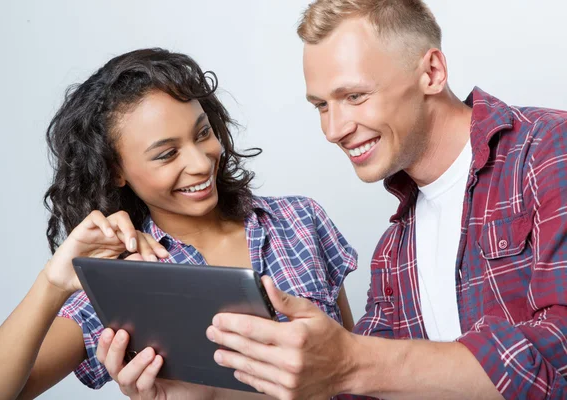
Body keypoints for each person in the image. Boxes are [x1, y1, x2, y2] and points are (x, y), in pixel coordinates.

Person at [202, 1, 567, 399]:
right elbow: (356, 390)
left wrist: (352, 362)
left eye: (355, 96)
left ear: (431, 73)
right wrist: (194, 393)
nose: (333, 129)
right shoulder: (393, 256)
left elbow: (560, 352)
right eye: (322, 105)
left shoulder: (550, 151)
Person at [0, 48, 357, 400]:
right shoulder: (124, 280)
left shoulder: (300, 220)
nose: (201, 162)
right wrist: (52, 283)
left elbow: (353, 367)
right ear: (117, 170)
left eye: (202, 133)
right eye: (167, 154)